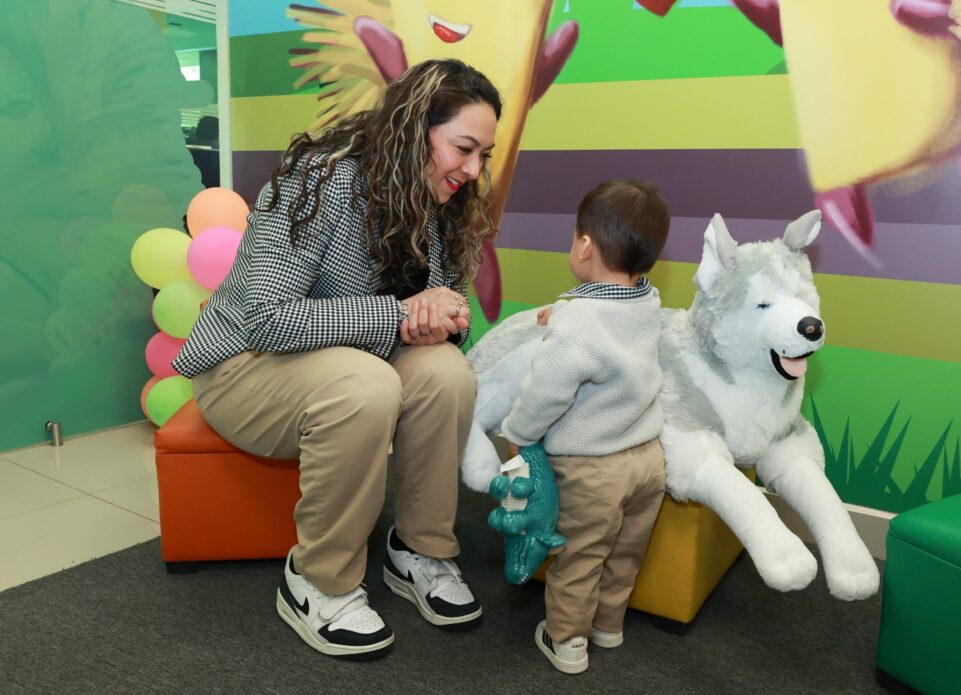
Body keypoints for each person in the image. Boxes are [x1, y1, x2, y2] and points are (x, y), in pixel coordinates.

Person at [172, 59, 502, 659]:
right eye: (464, 148)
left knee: (448, 373)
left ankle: (418, 551)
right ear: (413, 129)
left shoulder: (439, 202)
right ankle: (317, 580)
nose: (474, 169)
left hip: (349, 362)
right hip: (243, 366)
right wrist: (398, 314)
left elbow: (438, 311)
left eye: (484, 154)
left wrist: (445, 317)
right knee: (367, 385)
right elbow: (267, 318)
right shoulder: (318, 180)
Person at [500, 179, 670, 674]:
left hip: (593, 470)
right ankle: (608, 626)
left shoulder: (578, 323)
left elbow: (548, 390)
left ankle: (567, 639)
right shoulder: (648, 301)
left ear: (585, 245)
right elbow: (609, 323)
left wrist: (518, 434)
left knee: (581, 556)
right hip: (647, 460)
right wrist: (565, 313)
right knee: (625, 551)